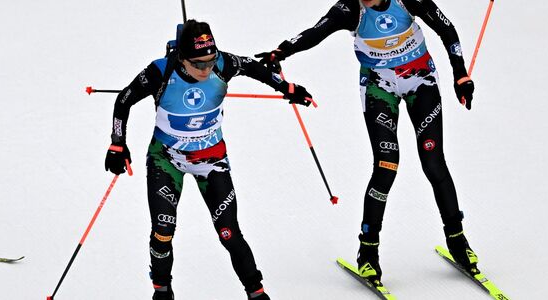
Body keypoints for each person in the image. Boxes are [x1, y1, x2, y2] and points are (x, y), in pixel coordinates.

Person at [256, 0, 480, 287]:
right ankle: (368, 251)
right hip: (378, 86)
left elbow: (446, 29)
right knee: (386, 166)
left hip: (420, 80)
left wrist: (460, 73)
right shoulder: (351, 8)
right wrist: (282, 51)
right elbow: (316, 32)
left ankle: (457, 240)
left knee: (434, 162)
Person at [104, 19, 313, 300]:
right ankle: (162, 293)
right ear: (182, 57)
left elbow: (254, 68)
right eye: (198, 64)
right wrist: (117, 144)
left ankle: (257, 293)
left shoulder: (224, 64)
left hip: (211, 161)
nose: (206, 69)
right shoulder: (161, 71)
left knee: (229, 233)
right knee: (163, 231)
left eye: (210, 61)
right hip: (166, 159)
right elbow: (123, 100)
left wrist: (286, 87)